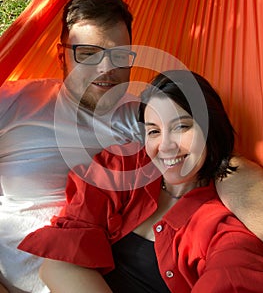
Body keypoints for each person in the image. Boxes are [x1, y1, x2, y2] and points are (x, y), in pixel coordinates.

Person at [0, 0, 262, 292]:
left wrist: (229, 166)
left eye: (119, 56)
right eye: (88, 55)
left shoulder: (147, 119)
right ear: (62, 55)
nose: (106, 69)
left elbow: (201, 159)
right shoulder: (15, 103)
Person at [19, 70, 263, 292]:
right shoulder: (122, 168)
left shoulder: (222, 224)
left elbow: (232, 275)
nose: (166, 146)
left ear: (211, 128)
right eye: (154, 131)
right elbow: (58, 265)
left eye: (182, 127)